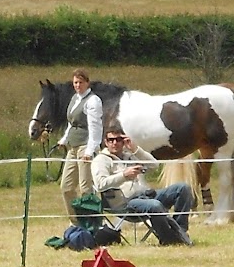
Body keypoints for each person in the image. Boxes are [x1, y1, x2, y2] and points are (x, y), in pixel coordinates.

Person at [90, 127, 194, 246]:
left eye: (119, 139)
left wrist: (135, 149)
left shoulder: (129, 156)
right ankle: (169, 239)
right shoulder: (101, 160)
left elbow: (154, 166)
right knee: (155, 205)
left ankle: (180, 232)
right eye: (111, 140)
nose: (114, 143)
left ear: (124, 140)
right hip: (126, 204)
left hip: (145, 196)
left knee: (182, 188)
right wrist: (124, 175)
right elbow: (100, 184)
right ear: (105, 141)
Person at [58, 68, 103, 218]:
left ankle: (91, 223)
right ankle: (75, 221)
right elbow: (72, 123)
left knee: (86, 188)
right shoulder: (75, 99)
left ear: (87, 83)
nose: (78, 85)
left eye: (80, 82)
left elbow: (95, 127)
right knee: (66, 187)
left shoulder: (92, 101)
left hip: (85, 146)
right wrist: (64, 139)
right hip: (73, 146)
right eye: (75, 82)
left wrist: (90, 151)